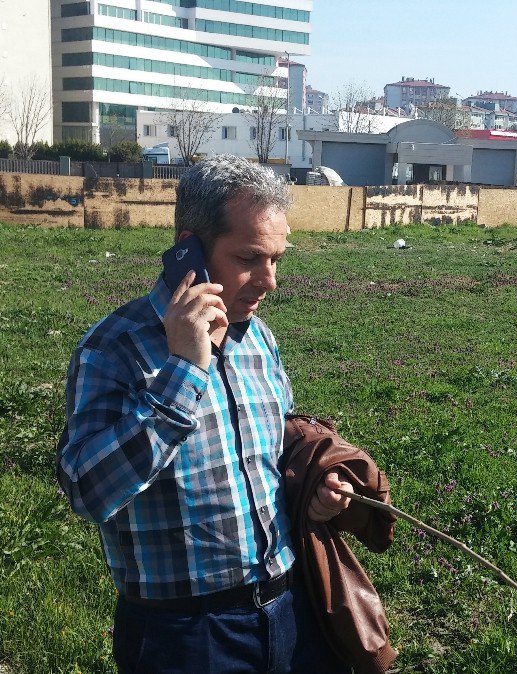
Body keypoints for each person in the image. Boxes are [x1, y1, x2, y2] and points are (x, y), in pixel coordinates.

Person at [57, 155, 353, 673]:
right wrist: (184, 370)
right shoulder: (113, 348)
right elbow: (86, 492)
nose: (270, 281)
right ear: (188, 248)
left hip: (289, 608)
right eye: (249, 258)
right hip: (185, 636)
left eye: (277, 259)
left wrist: (312, 489)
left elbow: (269, 457)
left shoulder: (257, 338)